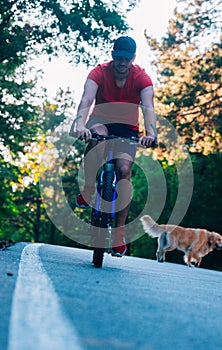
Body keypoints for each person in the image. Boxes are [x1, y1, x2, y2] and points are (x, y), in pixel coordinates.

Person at [70, 36, 157, 256]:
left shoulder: (142, 77)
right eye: (118, 58)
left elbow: (148, 107)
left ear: (133, 59)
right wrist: (80, 124)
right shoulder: (99, 72)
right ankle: (89, 187)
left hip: (127, 128)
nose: (122, 63)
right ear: (112, 55)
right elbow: (86, 100)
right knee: (95, 137)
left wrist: (151, 132)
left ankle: (118, 233)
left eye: (126, 59)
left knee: (124, 171)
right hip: (101, 121)